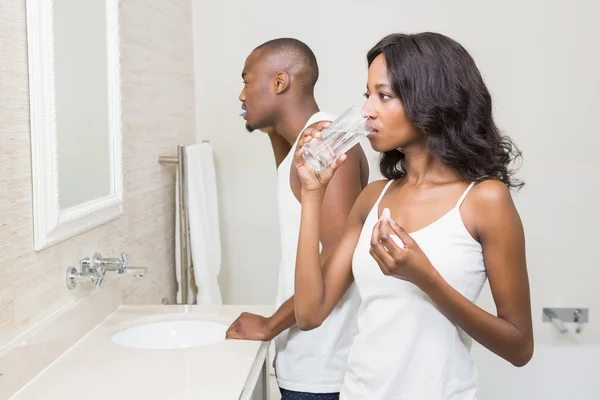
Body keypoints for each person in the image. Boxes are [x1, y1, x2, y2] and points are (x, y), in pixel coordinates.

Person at [292, 32, 534, 399]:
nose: (367, 110)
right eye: (367, 95)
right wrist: (312, 194)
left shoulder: (485, 200)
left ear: (431, 101)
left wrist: (425, 278)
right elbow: (309, 314)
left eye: (384, 95)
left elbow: (519, 348)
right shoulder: (374, 196)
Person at [226, 38, 369, 399]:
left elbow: (339, 256)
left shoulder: (329, 143)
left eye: (246, 81)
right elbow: (290, 185)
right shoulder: (305, 146)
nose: (242, 95)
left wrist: (269, 325)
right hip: (306, 361)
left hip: (324, 370)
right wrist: (272, 127)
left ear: (279, 83)